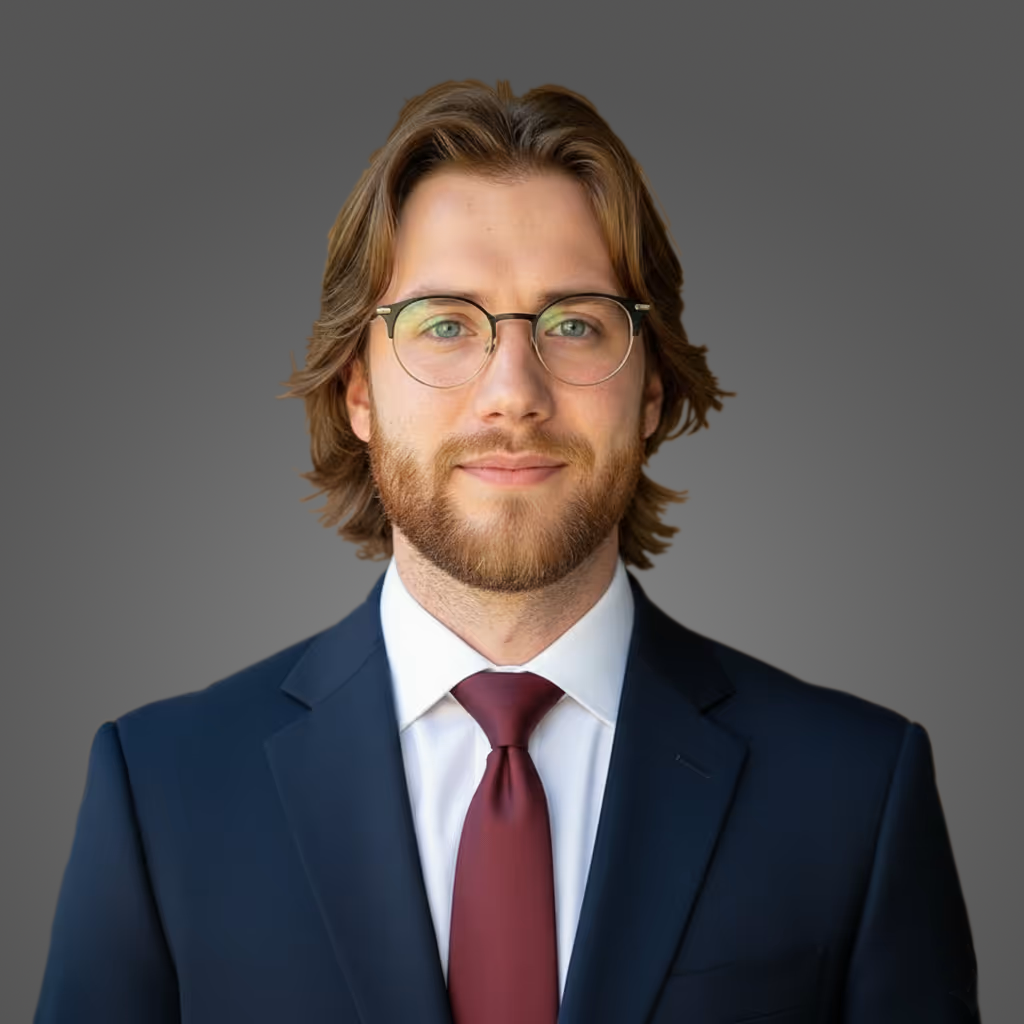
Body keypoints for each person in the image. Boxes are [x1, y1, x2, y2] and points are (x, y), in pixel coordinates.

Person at [34, 79, 980, 1024]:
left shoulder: (855, 793)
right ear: (357, 391)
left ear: (650, 390)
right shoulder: (160, 792)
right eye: (446, 323)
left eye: (574, 324)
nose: (512, 390)